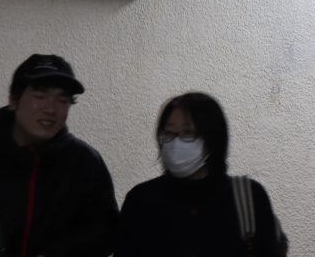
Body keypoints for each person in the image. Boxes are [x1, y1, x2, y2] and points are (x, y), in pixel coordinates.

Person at [0, 53, 119, 257]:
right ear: (13, 100)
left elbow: (106, 234)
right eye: (40, 96)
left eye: (62, 99)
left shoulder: (86, 163)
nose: (51, 109)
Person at [115, 92, 287, 257]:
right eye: (168, 133)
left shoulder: (249, 198)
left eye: (188, 133)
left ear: (212, 139)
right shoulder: (141, 200)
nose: (176, 142)